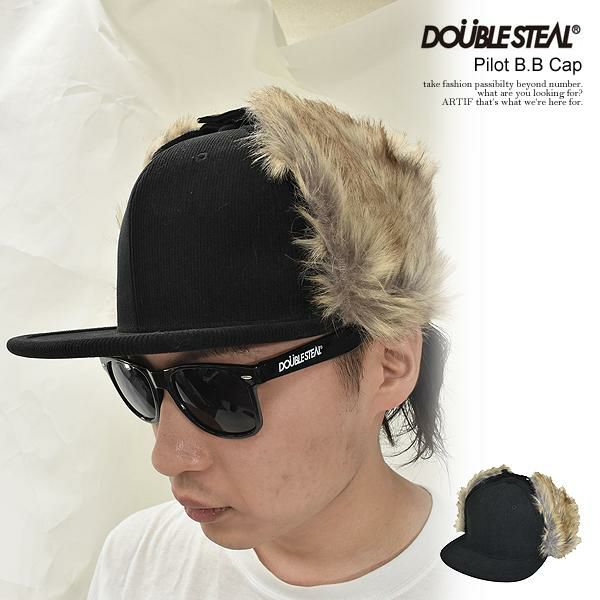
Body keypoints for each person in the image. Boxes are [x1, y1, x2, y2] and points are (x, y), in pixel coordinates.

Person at [7, 85, 456, 598]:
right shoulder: (139, 560)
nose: (167, 456)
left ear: (391, 364)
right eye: (141, 384)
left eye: (219, 389)